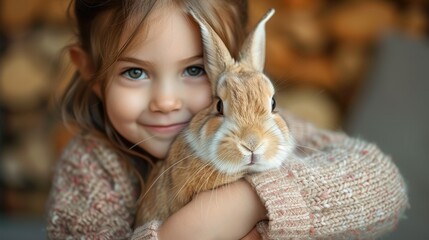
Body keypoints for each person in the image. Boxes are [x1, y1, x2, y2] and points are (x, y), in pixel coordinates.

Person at [46, 0, 409, 239]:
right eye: (135, 73)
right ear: (91, 71)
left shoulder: (271, 129)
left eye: (193, 69)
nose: (167, 102)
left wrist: (250, 198)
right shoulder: (90, 168)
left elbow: (384, 183)